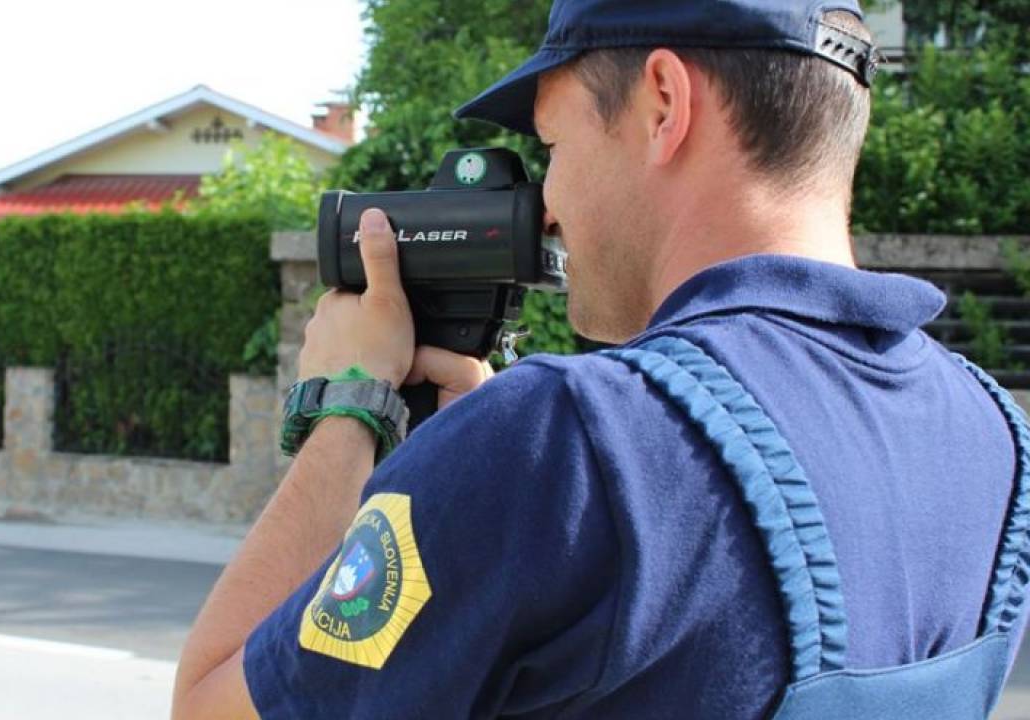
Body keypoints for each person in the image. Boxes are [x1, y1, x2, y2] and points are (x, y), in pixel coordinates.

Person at [171, 0, 1029, 717]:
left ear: (663, 103)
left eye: (552, 147)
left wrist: (348, 404)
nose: (544, 207)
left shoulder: (561, 443)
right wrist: (473, 467)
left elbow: (209, 707)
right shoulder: (993, 438)